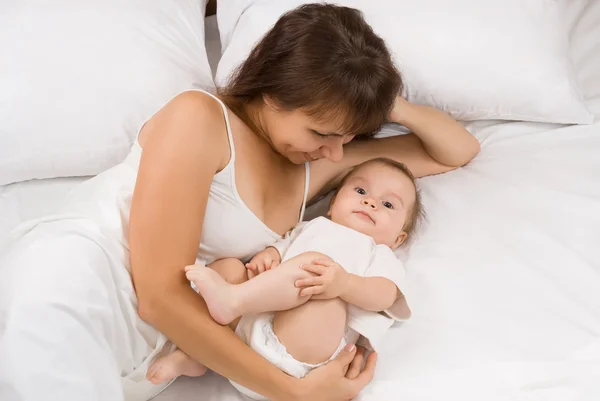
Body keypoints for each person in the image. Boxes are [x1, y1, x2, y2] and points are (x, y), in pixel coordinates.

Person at [0, 4, 480, 401]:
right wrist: (296, 393)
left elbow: (456, 151)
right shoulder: (199, 118)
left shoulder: (316, 162)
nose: (337, 151)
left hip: (155, 339)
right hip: (81, 277)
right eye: (322, 132)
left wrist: (375, 97)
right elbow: (159, 296)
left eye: (348, 137)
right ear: (273, 95)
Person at [147, 158, 423, 401]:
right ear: (333, 204)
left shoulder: (379, 253)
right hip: (244, 336)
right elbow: (281, 249)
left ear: (398, 238)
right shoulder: (310, 227)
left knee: (314, 266)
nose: (370, 202)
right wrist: (269, 256)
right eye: (360, 191)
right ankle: (194, 355)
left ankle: (232, 301)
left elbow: (386, 295)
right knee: (230, 268)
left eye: (387, 204)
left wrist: (345, 284)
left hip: (301, 350)